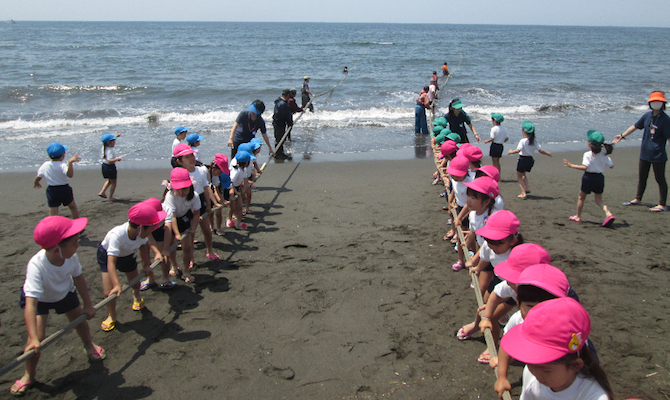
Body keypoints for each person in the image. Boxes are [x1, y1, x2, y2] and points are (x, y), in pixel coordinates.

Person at [11, 216, 105, 395]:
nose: (78, 246)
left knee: (80, 321)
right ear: (56, 250)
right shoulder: (36, 266)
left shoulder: (71, 257)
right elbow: (31, 304)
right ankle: (29, 374)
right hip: (41, 299)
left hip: (64, 292)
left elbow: (79, 278)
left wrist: (88, 304)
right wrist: (32, 336)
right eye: (74, 243)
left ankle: (89, 345)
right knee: (37, 338)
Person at [501, 297, 614, 399]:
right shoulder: (531, 373)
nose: (536, 374)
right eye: (530, 364)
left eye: (547, 370)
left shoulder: (593, 396)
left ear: (576, 365)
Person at [98, 202, 166, 332]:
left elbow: (142, 246)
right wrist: (117, 284)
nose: (152, 230)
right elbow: (111, 263)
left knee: (135, 282)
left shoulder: (141, 234)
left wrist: (146, 265)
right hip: (107, 256)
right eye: (151, 228)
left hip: (128, 254)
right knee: (109, 291)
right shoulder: (116, 236)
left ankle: (136, 297)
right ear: (140, 228)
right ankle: (111, 315)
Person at [614, 91, 670, 212]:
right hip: (645, 153)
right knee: (642, 177)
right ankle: (637, 199)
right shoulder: (647, 116)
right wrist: (622, 135)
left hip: (658, 155)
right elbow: (635, 126)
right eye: (653, 102)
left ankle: (662, 204)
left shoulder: (665, 120)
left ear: (663, 103)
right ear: (650, 103)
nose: (656, 103)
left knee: (660, 179)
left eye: (658, 102)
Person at [173, 144, 220, 262]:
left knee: (206, 230)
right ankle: (191, 258)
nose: (191, 158)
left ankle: (210, 251)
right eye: (187, 157)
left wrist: (209, 205)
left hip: (201, 202)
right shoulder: (179, 174)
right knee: (190, 234)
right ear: (179, 161)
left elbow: (206, 188)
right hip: (187, 205)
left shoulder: (201, 171)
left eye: (192, 155)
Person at [564, 130, 615, 226]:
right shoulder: (604, 155)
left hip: (588, 177)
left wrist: (571, 165)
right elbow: (611, 165)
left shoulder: (588, 154)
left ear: (590, 144)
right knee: (599, 200)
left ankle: (578, 216)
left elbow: (585, 167)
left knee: (581, 197)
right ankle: (608, 213)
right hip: (600, 178)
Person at [453, 177, 499, 272]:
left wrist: (474, 261)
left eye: (473, 198)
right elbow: (473, 232)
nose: (468, 200)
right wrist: (468, 243)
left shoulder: (492, 218)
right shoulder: (473, 212)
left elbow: (487, 243)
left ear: (486, 202)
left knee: (488, 276)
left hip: (492, 250)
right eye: (468, 196)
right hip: (482, 247)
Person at [162, 167, 200, 283]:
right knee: (172, 245)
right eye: (179, 189)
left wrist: (193, 228)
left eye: (185, 189)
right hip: (170, 219)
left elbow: (196, 213)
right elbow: (172, 216)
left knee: (187, 247)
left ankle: (186, 271)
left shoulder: (194, 196)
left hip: (184, 218)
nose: (182, 192)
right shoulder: (170, 196)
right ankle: (174, 265)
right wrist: (177, 234)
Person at [34, 142, 80, 218]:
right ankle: (76, 222)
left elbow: (39, 176)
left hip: (52, 190)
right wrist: (70, 163)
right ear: (63, 155)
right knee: (72, 207)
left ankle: (53, 226)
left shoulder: (45, 164)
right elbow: (70, 175)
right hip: (64, 189)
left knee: (53, 210)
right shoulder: (62, 165)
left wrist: (36, 182)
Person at [508, 121, 553, 199]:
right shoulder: (534, 141)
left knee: (519, 176)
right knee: (523, 174)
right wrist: (547, 153)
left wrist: (511, 152)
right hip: (530, 160)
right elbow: (540, 150)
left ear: (524, 131)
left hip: (522, 159)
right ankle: (527, 188)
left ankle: (523, 193)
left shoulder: (523, 141)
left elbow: (518, 150)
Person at [139, 198, 176, 290]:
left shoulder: (167, 209)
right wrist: (156, 252)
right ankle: (150, 279)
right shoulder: (141, 215)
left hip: (161, 229)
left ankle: (166, 278)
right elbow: (148, 236)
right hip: (145, 231)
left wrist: (165, 248)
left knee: (164, 255)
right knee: (145, 256)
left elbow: (168, 229)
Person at [228, 151, 253, 230]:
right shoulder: (236, 171)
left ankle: (239, 223)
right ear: (246, 162)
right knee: (233, 207)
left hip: (238, 188)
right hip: (231, 189)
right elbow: (230, 182)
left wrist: (243, 189)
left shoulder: (243, 170)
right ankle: (229, 219)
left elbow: (245, 179)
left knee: (240, 206)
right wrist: (236, 192)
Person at [98, 133, 122, 200]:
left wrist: (116, 136)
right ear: (109, 143)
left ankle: (102, 192)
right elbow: (110, 160)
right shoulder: (110, 150)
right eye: (113, 141)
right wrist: (117, 159)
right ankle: (110, 197)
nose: (115, 142)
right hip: (110, 167)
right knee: (114, 182)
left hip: (104, 166)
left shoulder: (103, 147)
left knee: (109, 180)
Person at [273, 89, 293, 160]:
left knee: (279, 138)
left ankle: (280, 152)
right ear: (287, 95)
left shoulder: (278, 101)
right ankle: (278, 154)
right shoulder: (283, 104)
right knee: (280, 139)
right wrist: (290, 123)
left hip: (277, 122)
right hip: (279, 123)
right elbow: (286, 115)